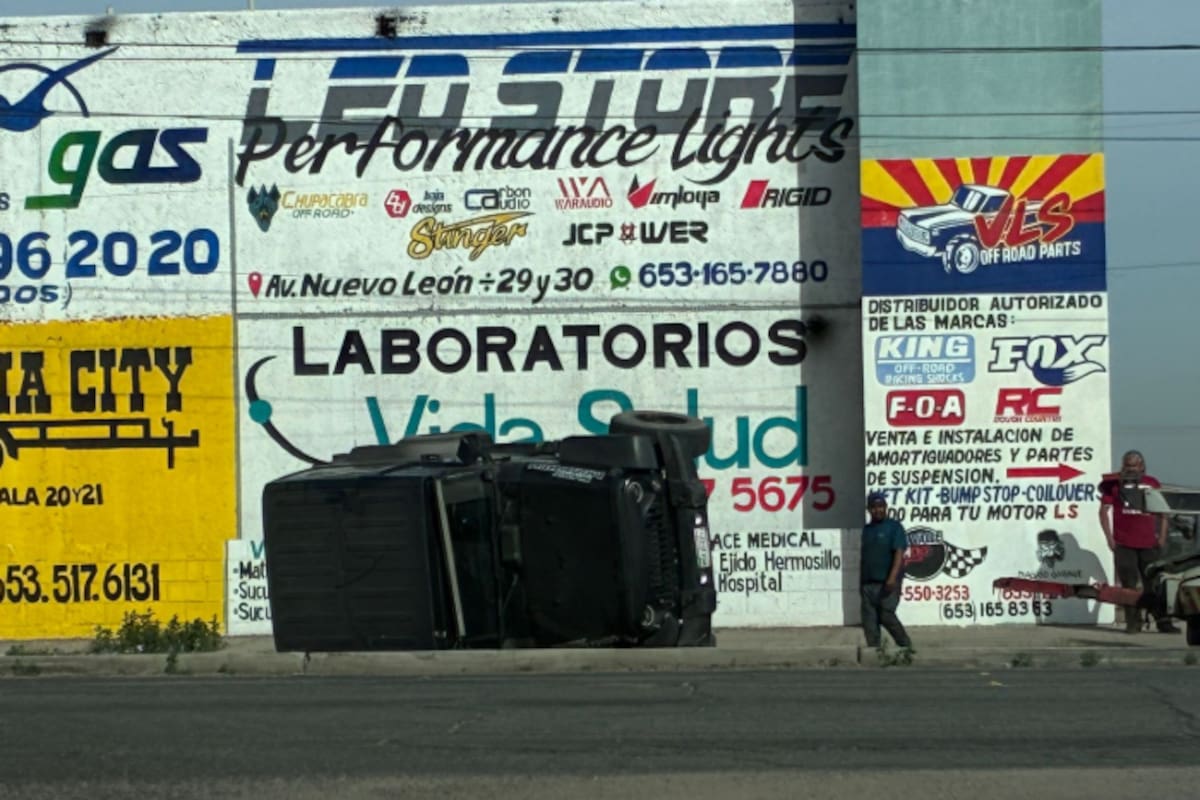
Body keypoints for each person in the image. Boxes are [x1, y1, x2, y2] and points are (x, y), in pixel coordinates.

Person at [1099, 449, 1179, 634]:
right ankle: (1133, 623)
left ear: (1142, 466)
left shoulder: (1151, 483)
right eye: (1127, 465)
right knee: (1128, 586)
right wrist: (1109, 538)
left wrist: (1163, 536)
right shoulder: (1114, 485)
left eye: (1134, 466)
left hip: (1149, 543)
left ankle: (1163, 621)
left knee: (1155, 584)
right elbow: (1103, 511)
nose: (1131, 469)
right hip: (1124, 543)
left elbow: (1163, 513)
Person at [860, 491, 912, 650]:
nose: (878, 510)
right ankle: (874, 651)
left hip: (888, 582)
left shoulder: (894, 527)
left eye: (881, 506)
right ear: (868, 509)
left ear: (886, 507)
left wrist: (892, 578)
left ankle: (906, 646)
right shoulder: (867, 529)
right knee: (869, 620)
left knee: (886, 615)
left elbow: (899, 553)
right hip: (868, 583)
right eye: (874, 507)